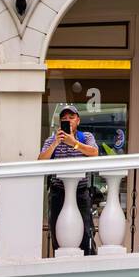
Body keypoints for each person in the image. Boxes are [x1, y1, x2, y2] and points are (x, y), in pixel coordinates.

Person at [38, 103, 99, 255]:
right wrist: (56, 143)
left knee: (85, 231)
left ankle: (86, 262)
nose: (68, 120)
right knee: (57, 231)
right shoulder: (53, 139)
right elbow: (40, 161)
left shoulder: (85, 137)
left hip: (81, 191)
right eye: (64, 118)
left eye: (71, 117)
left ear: (78, 120)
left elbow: (94, 153)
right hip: (59, 191)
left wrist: (75, 144)